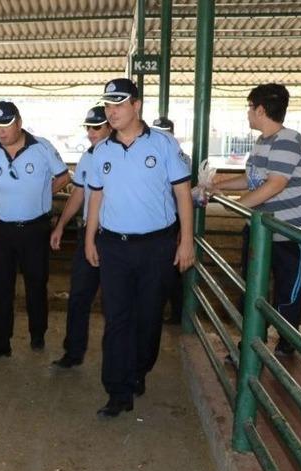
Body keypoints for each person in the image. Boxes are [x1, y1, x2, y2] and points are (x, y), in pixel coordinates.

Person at [84, 78, 195, 417]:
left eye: (118, 104)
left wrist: (186, 240)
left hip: (156, 246)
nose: (111, 111)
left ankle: (139, 369)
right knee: (116, 319)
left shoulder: (163, 145)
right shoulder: (101, 151)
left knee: (148, 318)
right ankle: (117, 390)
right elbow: (97, 198)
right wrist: (89, 238)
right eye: (107, 105)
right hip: (114, 246)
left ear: (136, 105)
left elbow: (182, 193)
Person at [212, 83, 301, 357]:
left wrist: (240, 207)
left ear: (261, 109)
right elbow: (252, 179)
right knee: (252, 285)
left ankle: (287, 341)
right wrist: (218, 188)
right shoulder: (262, 142)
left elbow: (275, 184)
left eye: (249, 107)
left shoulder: (289, 139)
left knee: (286, 289)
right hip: (259, 229)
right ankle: (252, 343)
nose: (247, 113)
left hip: (289, 232)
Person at [0, 101, 70, 363]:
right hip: (2, 228)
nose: (1, 132)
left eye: (6, 126)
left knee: (36, 284)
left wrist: (41, 194)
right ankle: (0, 343)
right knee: (0, 286)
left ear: (18, 122)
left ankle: (37, 333)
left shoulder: (42, 147)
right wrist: (7, 197)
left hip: (34, 229)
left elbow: (63, 177)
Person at [49, 106, 112, 368]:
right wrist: (62, 224)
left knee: (114, 302)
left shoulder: (122, 156)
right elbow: (78, 194)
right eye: (89, 127)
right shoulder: (88, 157)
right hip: (90, 232)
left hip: (114, 235)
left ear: (111, 126)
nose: (91, 133)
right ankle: (73, 352)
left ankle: (116, 360)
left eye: (97, 127)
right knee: (79, 296)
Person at [153, 117, 185, 325]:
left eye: (166, 131)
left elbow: (183, 193)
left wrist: (184, 231)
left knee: (173, 269)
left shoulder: (180, 157)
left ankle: (176, 312)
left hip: (174, 220)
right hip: (161, 220)